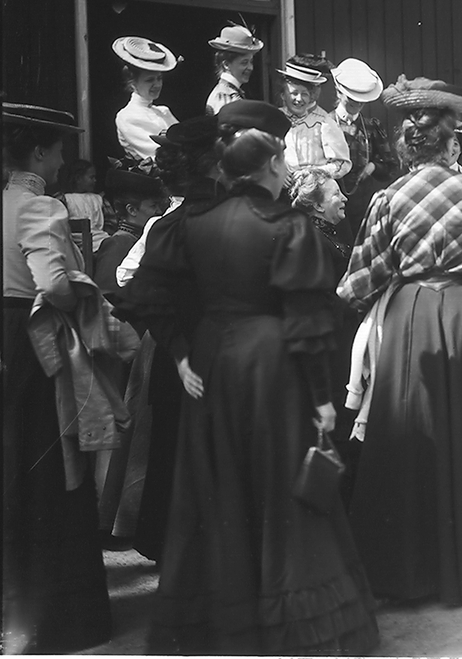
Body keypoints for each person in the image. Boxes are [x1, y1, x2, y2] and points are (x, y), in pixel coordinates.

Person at [120, 100, 378, 654]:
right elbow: (309, 317)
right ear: (266, 169)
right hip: (271, 362)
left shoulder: (190, 225)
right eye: (281, 160)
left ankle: (222, 620)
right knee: (281, 486)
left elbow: (142, 293)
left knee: (218, 486)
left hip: (214, 359)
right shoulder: (285, 225)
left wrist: (184, 352)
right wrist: (322, 398)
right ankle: (293, 626)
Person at [337, 77, 462, 607]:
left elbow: (362, 278)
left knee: (410, 433)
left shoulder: (388, 197)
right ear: (451, 142)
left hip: (414, 315)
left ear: (405, 145)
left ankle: (413, 568)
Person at [3, 102, 113, 652]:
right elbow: (56, 284)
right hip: (29, 339)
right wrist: (80, 285)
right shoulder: (37, 206)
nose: (63, 159)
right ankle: (56, 616)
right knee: (49, 463)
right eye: (60, 149)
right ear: (42, 153)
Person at [114, 115, 224, 564]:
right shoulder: (239, 216)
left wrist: (177, 348)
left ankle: (182, 558)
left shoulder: (166, 226)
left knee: (179, 453)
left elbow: (144, 297)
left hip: (182, 358)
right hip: (227, 355)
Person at [289, 166, 360, 504]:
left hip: (340, 337)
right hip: (330, 343)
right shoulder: (312, 239)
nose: (343, 198)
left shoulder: (328, 232)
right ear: (317, 205)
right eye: (335, 194)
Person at [330, 57, 399, 245]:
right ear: (339, 91)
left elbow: (391, 166)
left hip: (363, 205)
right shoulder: (324, 124)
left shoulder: (371, 127)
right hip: (331, 205)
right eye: (352, 98)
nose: (357, 104)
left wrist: (372, 166)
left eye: (362, 101)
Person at [94, 168, 168, 296]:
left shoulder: (141, 238)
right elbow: (107, 293)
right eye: (153, 206)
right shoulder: (119, 242)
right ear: (132, 210)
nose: (158, 211)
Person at [113, 36, 181, 170]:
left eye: (159, 78)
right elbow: (159, 155)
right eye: (150, 80)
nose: (157, 84)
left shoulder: (163, 111)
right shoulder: (127, 116)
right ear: (132, 83)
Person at [279, 55, 351, 181]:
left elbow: (342, 164)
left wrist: (314, 173)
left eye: (305, 93)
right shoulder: (274, 118)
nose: (299, 98)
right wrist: (278, 172)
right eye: (294, 93)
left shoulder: (324, 123)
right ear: (283, 95)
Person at [205, 24, 264, 116]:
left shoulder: (232, 92)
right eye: (244, 63)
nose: (250, 68)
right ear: (226, 65)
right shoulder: (224, 96)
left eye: (251, 62)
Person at [57, 158, 111, 252]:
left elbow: (110, 224)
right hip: (76, 243)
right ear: (78, 178)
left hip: (101, 239)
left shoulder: (99, 200)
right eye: (91, 177)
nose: (95, 181)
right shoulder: (64, 199)